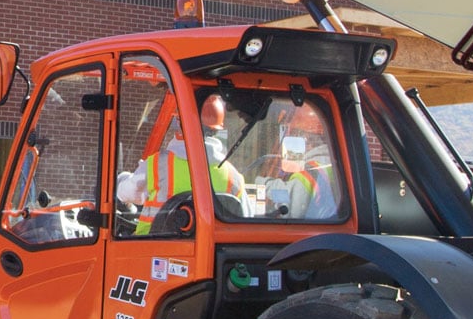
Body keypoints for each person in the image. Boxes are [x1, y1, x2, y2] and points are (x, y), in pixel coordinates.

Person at [116, 95, 247, 234]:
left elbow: (124, 193)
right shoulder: (234, 177)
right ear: (217, 129)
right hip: (209, 247)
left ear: (180, 123)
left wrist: (121, 177)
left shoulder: (158, 164)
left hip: (153, 245)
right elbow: (245, 222)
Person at [279, 101, 341, 219]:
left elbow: (292, 215)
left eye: (295, 136)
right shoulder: (334, 164)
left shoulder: (307, 174)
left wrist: (265, 185)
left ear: (305, 139)